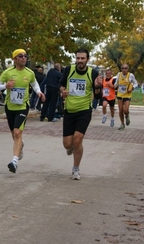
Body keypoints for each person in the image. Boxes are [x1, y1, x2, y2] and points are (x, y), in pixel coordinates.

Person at [0, 49, 45, 173]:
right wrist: (5, 86)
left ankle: (14, 161)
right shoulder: (8, 72)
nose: (23, 58)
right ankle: (20, 145)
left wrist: (39, 92)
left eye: (25, 56)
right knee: (14, 134)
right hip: (10, 107)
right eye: (20, 56)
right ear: (15, 59)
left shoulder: (30, 73)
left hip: (23, 106)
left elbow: (35, 84)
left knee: (17, 132)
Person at [59, 48, 102, 180]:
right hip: (69, 110)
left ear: (87, 60)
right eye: (78, 58)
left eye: (83, 58)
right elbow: (60, 85)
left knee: (77, 139)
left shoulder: (93, 73)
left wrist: (96, 86)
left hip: (84, 110)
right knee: (67, 144)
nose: (80, 61)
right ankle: (71, 147)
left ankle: (76, 169)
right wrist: (63, 91)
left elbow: (98, 95)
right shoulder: (68, 70)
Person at [113, 63, 138, 130]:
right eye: (123, 68)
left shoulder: (131, 75)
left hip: (127, 95)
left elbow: (136, 83)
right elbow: (116, 83)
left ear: (128, 69)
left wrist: (132, 88)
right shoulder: (119, 74)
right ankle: (122, 124)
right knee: (120, 110)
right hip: (120, 95)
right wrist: (115, 85)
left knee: (125, 110)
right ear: (121, 69)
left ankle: (127, 115)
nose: (124, 70)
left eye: (125, 68)